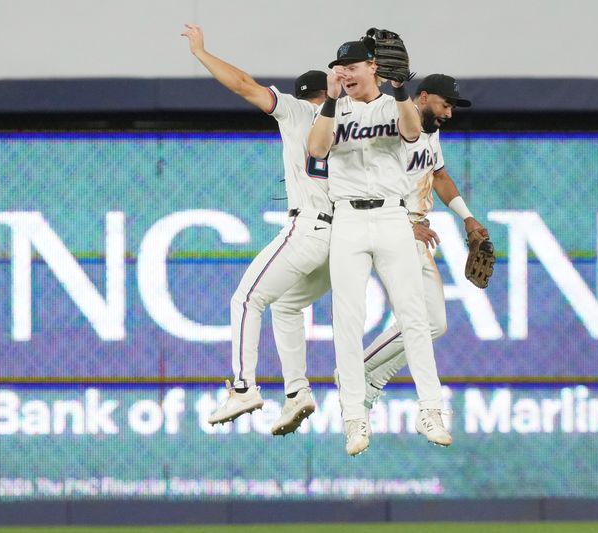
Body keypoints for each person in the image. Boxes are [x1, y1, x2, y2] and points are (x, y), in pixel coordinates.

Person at [181, 24, 331, 435]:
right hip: (345, 239)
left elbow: (244, 85)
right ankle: (297, 391)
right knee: (286, 305)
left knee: (246, 300)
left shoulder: (299, 110)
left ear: (304, 97)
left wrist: (200, 52)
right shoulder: (354, 122)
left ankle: (245, 387)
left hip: (310, 229)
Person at [308, 39, 451, 456]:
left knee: (414, 317)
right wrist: (331, 101)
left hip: (392, 216)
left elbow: (411, 132)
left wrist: (401, 90)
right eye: (340, 68)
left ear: (373, 67)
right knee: (347, 322)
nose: (345, 73)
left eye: (352, 66)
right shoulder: (333, 109)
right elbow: (317, 150)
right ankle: (354, 418)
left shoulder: (395, 105)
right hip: (348, 218)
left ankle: (431, 410)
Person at [357, 74, 489, 407]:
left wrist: (467, 217)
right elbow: (370, 181)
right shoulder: (395, 128)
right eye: (445, 105)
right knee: (422, 322)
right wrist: (401, 223)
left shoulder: (431, 131)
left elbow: (439, 175)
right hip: (394, 230)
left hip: (414, 231)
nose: (449, 113)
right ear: (425, 96)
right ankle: (353, 372)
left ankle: (371, 380)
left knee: (433, 324)